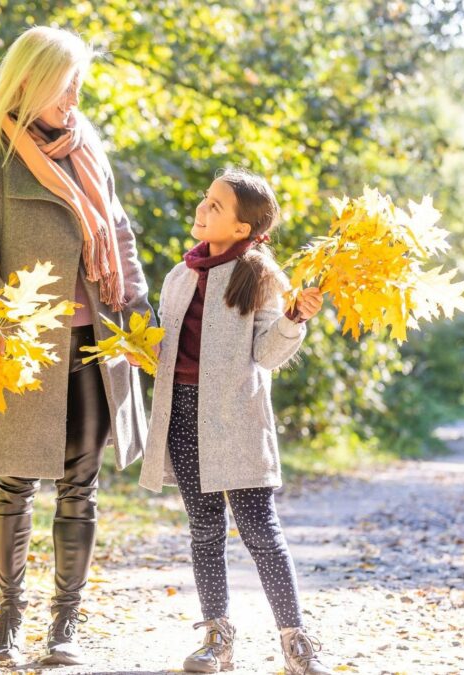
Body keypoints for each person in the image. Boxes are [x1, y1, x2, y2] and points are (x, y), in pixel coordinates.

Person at [0, 26, 152, 666]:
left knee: (80, 485)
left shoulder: (88, 150)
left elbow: (118, 237)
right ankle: (9, 620)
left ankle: (65, 626)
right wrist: (0, 330)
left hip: (96, 341)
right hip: (23, 345)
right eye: (65, 84)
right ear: (29, 81)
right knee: (15, 483)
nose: (74, 96)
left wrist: (142, 317)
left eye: (78, 84)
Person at [138, 168, 332, 674]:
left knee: (260, 531)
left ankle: (295, 641)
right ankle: (217, 639)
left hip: (236, 419)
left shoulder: (262, 276)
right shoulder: (178, 276)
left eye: (216, 206)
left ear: (243, 229)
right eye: (206, 200)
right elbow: (165, 348)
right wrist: (138, 345)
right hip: (182, 412)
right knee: (204, 529)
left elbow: (266, 355)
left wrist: (294, 320)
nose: (203, 209)